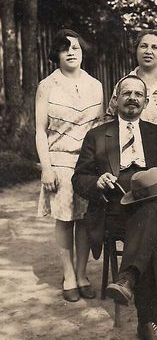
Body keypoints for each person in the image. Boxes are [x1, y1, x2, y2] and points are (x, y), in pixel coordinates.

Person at [72, 75, 157, 340]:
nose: (132, 98)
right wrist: (97, 181)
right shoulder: (97, 136)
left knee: (147, 213)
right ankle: (148, 324)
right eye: (126, 93)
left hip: (154, 200)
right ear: (115, 100)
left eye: (138, 94)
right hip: (114, 204)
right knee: (145, 231)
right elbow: (79, 178)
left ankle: (127, 279)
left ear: (146, 101)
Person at [106, 28, 157, 287]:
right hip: (130, 158)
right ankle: (139, 270)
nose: (148, 51)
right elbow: (110, 121)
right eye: (143, 46)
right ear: (136, 50)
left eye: (154, 47)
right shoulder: (125, 82)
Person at [35, 29, 103, 302]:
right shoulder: (47, 85)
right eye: (65, 49)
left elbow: (98, 128)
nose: (72, 52)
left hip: (87, 163)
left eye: (76, 47)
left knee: (85, 220)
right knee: (64, 220)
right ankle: (68, 275)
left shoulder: (95, 85)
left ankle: (83, 273)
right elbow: (40, 131)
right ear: (57, 55)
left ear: (82, 52)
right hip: (59, 160)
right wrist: (46, 167)